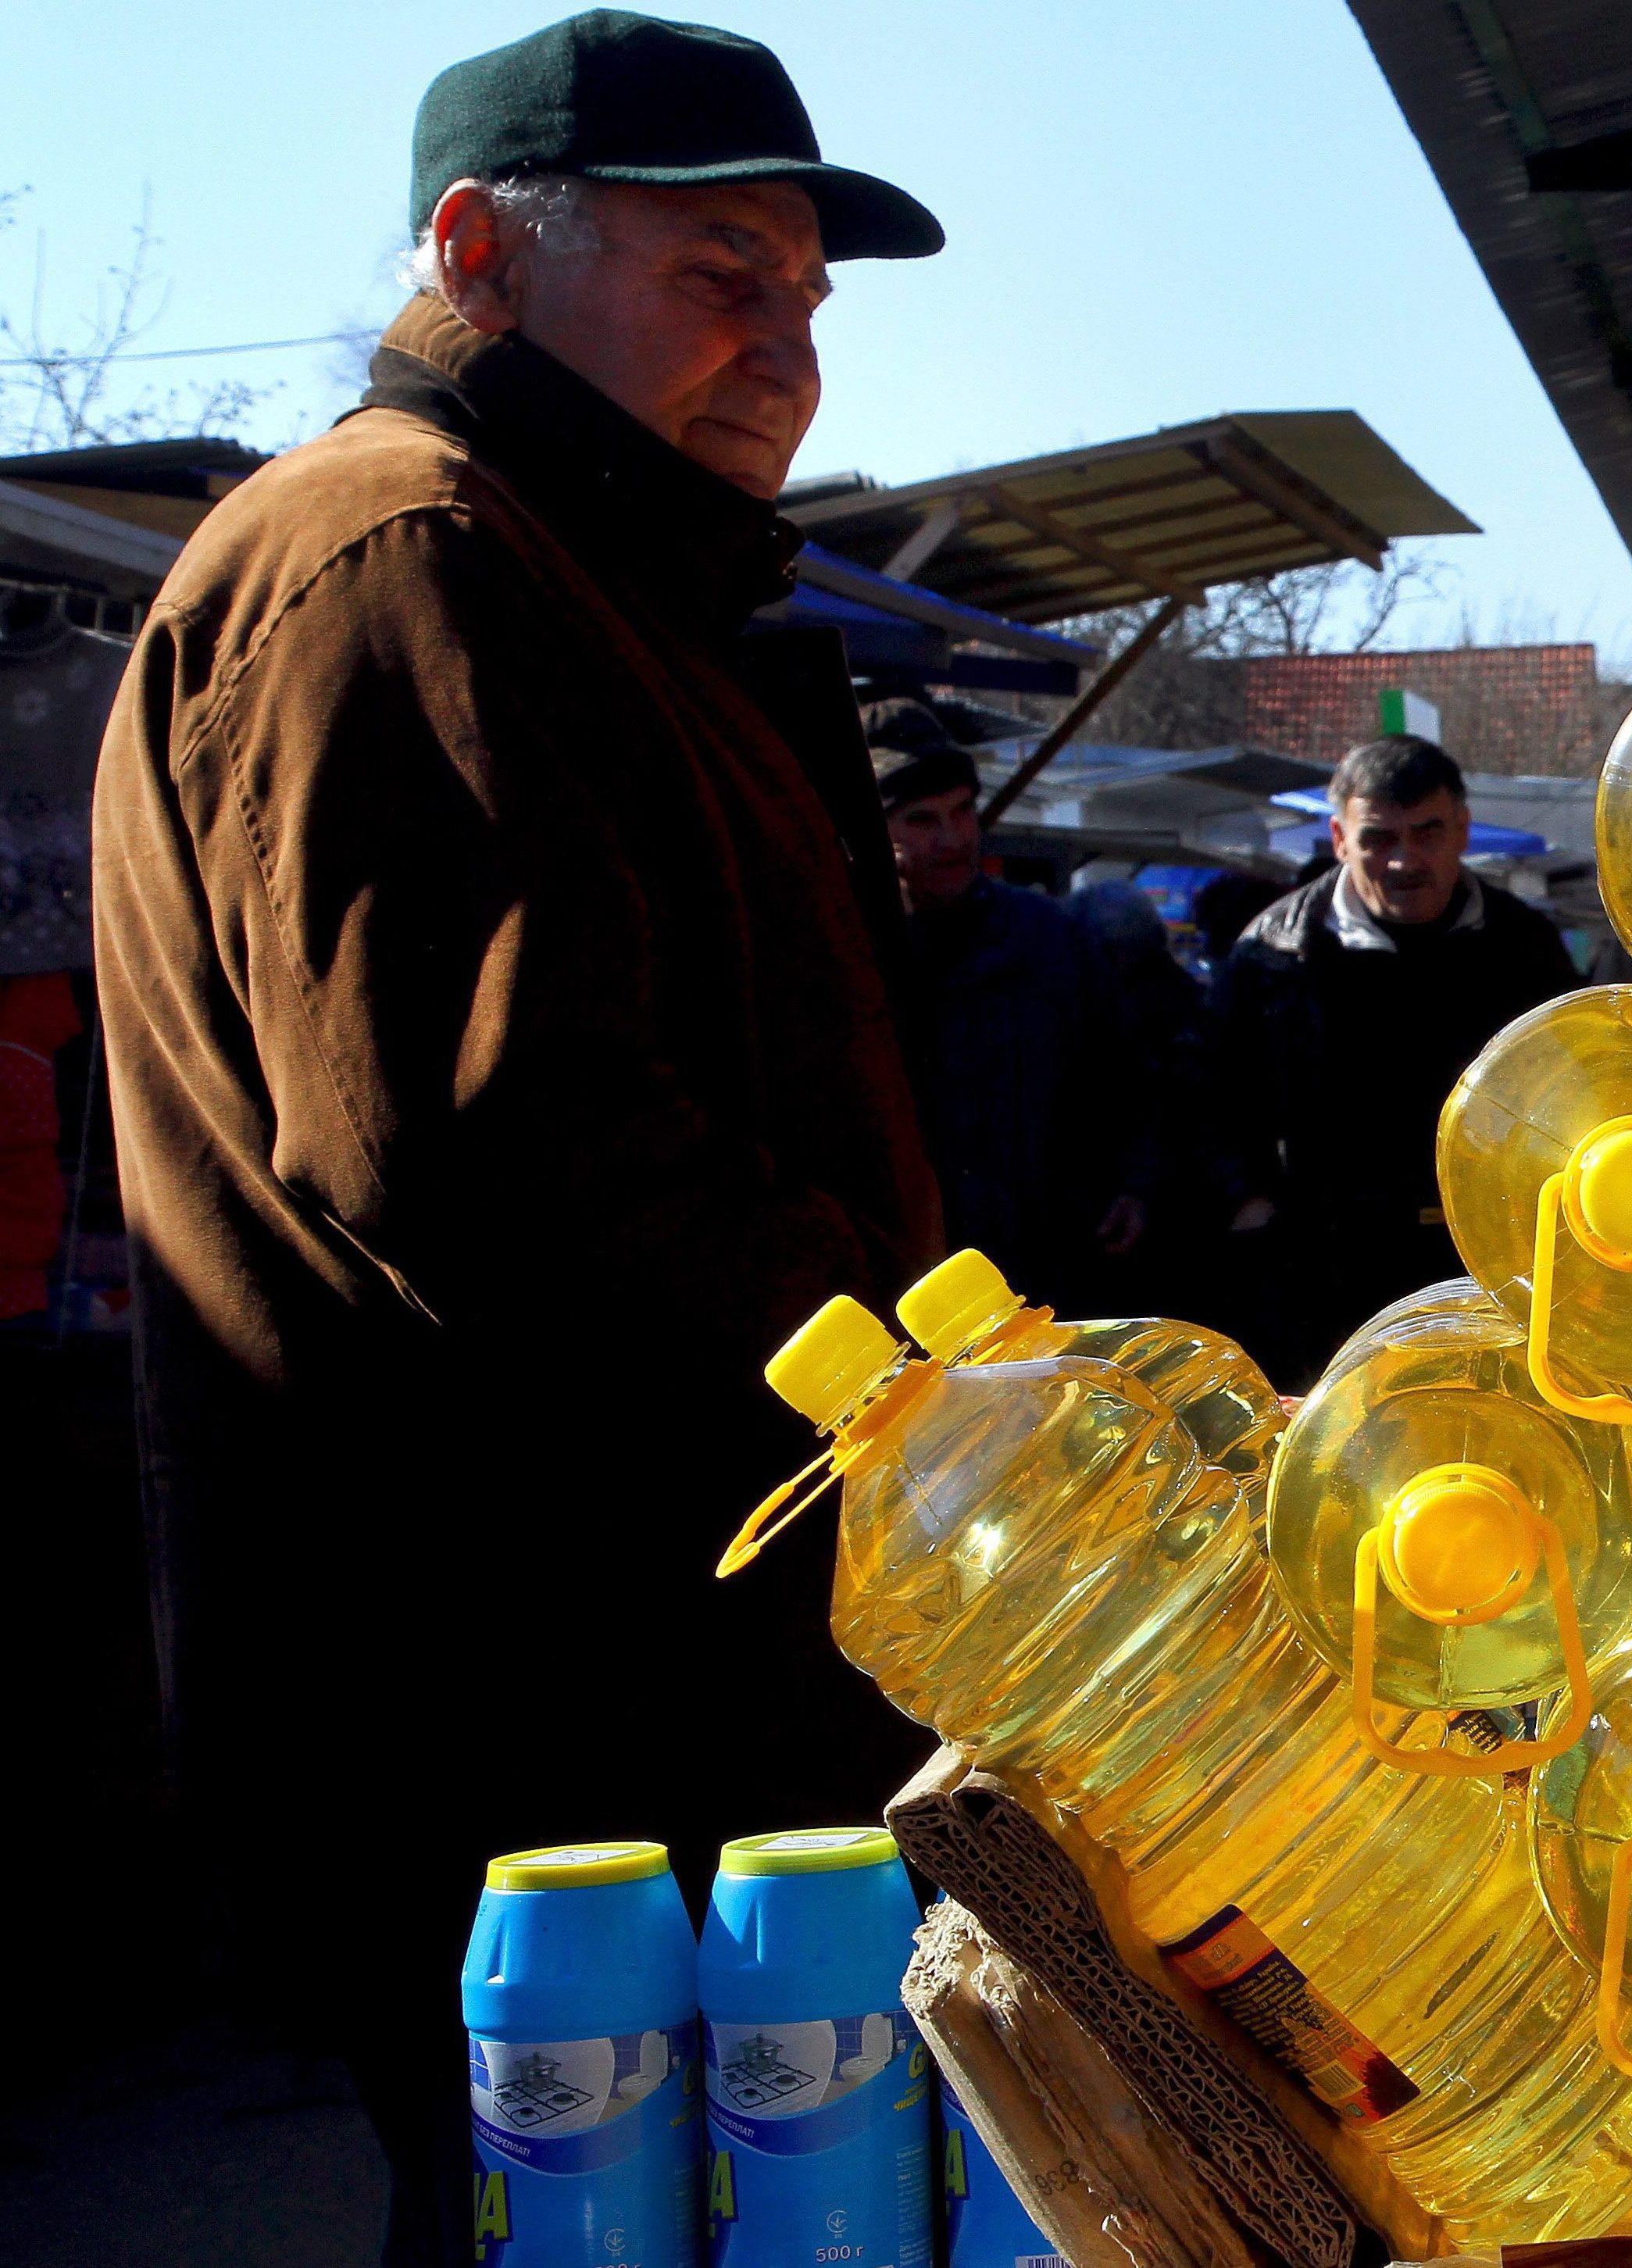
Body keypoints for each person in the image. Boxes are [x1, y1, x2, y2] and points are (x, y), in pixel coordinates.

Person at [82, 16, 945, 2259]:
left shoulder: (577, 576)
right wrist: (935, 1401)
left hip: (639, 1695)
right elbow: (502, 1143)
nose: (788, 350)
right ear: (479, 252)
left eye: (809, 301)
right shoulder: (400, 554)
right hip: (538, 1715)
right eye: (720, 271)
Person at [1202, 735, 1579, 1379]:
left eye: (1426, 833)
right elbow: (1210, 1098)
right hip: (1322, 1273)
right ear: (1340, 838)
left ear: (1462, 828)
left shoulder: (1524, 947)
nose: (1405, 862)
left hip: (1485, 1264)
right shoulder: (1272, 954)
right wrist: (1250, 1204)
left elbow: (1575, 1086)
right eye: (1379, 839)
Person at [874, 702, 1148, 1307]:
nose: (951, 839)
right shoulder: (851, 951)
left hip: (1047, 1269)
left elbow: (1125, 1076)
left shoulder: (1048, 938)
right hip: (910, 1281)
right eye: (922, 819)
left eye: (962, 811)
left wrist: (1134, 1184)